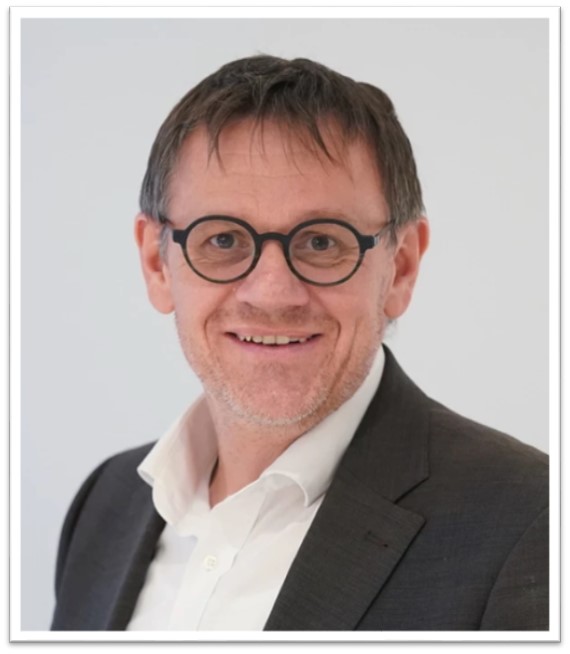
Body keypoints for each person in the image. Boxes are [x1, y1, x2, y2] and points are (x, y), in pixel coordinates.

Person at [51, 55, 548, 631]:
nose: (272, 293)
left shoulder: (532, 524)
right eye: (223, 239)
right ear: (157, 263)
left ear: (401, 267)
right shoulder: (104, 505)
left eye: (320, 242)